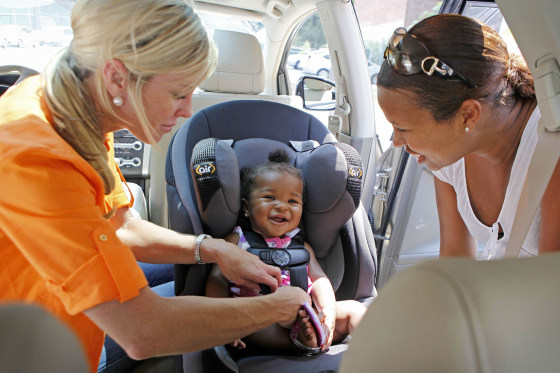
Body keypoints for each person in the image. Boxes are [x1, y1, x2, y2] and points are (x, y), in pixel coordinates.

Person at [0, 0, 312, 372]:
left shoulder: (78, 111)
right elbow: (142, 331)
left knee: (183, 275)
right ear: (117, 78)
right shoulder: (38, 159)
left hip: (62, 309)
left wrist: (214, 250)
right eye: (179, 92)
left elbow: (121, 226)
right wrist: (277, 306)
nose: (188, 110)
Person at [376, 14, 560, 260]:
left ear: (469, 115)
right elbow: (455, 262)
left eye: (404, 129)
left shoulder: (551, 149)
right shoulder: (452, 156)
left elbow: (551, 288)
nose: (396, 142)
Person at [205, 150, 367, 356]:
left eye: (293, 201)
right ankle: (303, 342)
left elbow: (319, 280)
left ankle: (373, 352)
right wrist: (225, 321)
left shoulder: (302, 246)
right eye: (269, 197)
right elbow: (217, 280)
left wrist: (328, 310)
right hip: (258, 315)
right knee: (251, 326)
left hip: (306, 313)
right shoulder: (236, 240)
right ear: (246, 207)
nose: (281, 206)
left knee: (356, 309)